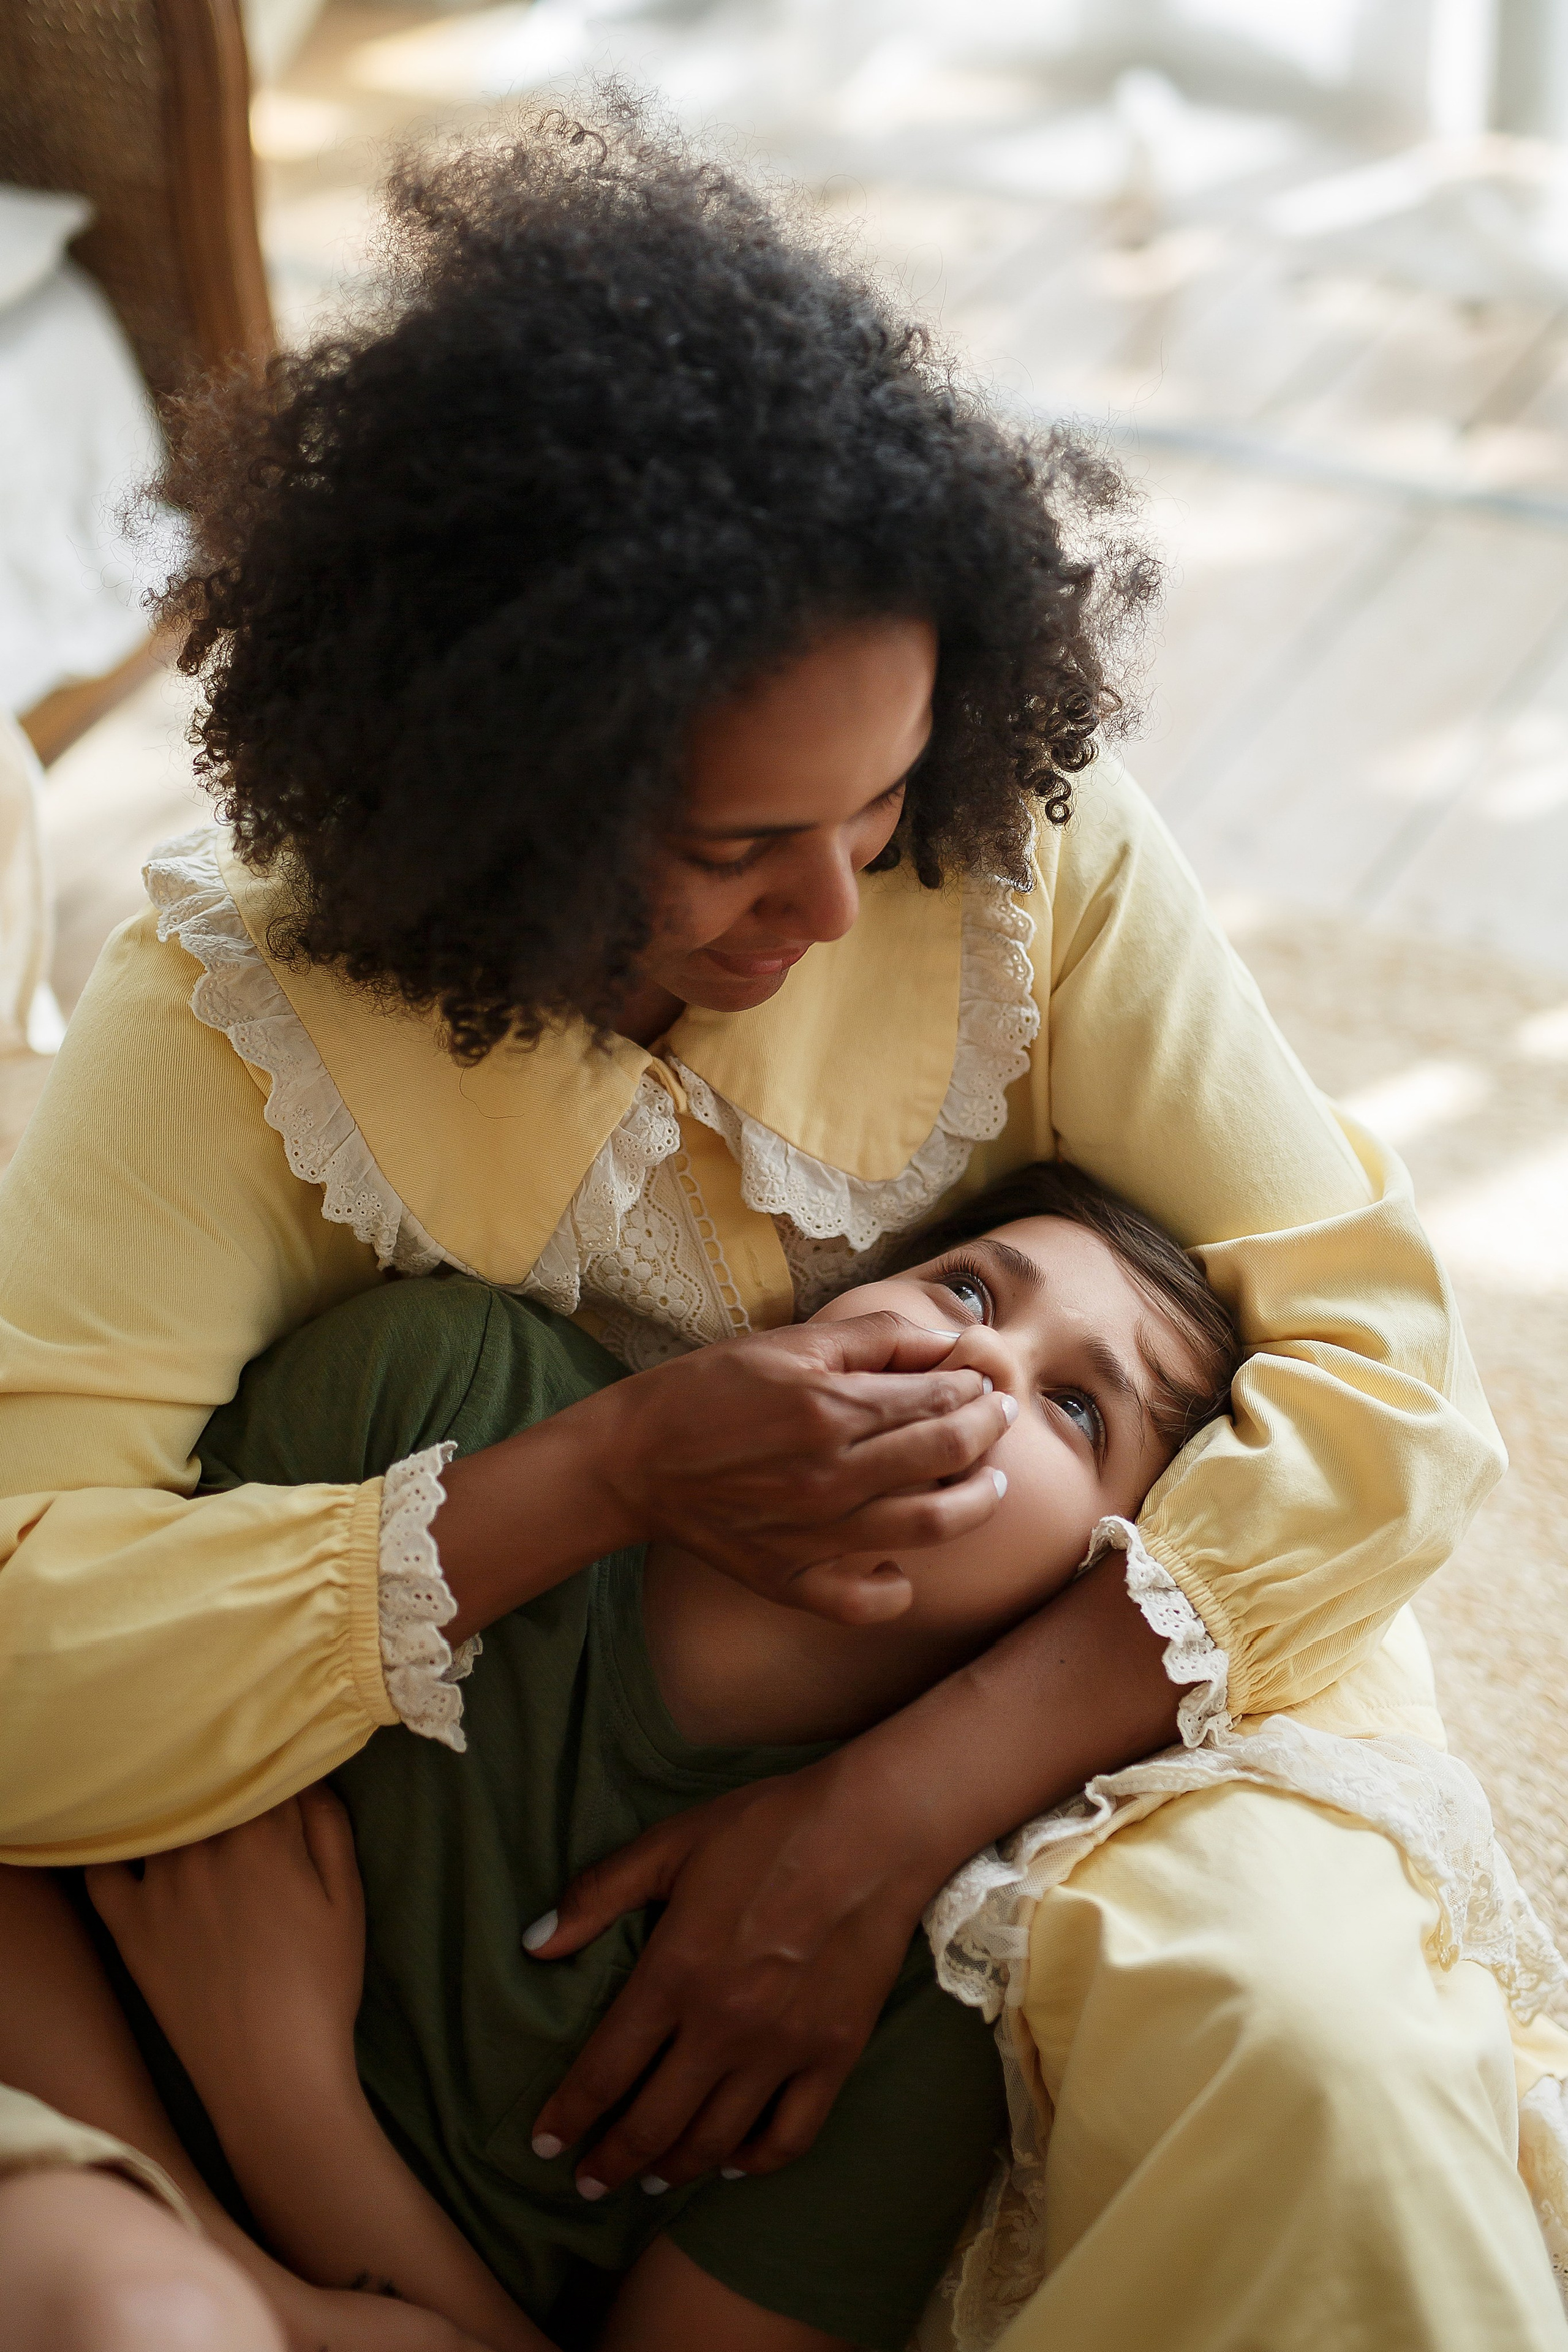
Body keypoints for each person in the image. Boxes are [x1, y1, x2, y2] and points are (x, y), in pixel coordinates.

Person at [0, 96, 1564, 2350]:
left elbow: (1387, 1381)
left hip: (1142, 1635)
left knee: (1311, 2054)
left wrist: (891, 1811)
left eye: (885, 798)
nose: (841, 906)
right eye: (743, 844)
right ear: (497, 782)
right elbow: (35, 1651)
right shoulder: (237, 1025)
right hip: (519, 1744)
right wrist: (617, 1471)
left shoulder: (1024, 841)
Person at [4, 1164, 1242, 2352]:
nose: (979, 1356)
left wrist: (284, 2100)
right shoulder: (446, 1391)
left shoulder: (941, 1971)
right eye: (966, 1290)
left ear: (1094, 1588)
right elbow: (35, 1791)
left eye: (1076, 1409)